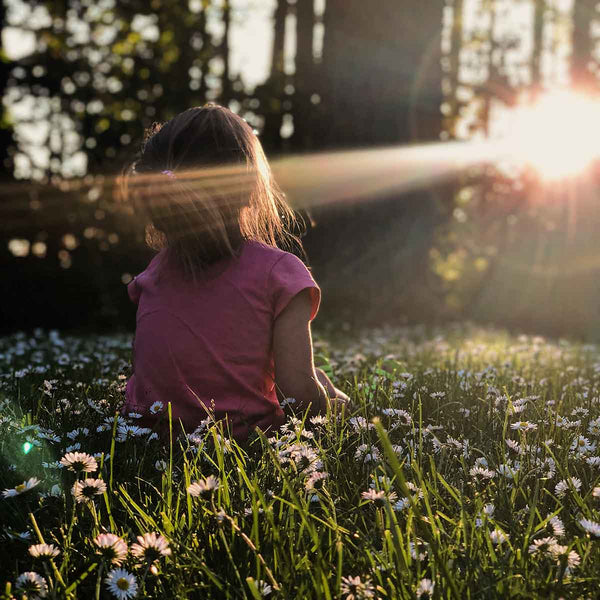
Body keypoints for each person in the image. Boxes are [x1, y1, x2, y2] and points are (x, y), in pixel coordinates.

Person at [120, 103, 349, 442]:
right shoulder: (279, 274)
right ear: (247, 188)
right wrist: (336, 406)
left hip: (148, 441)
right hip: (244, 446)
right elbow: (298, 395)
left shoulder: (153, 274)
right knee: (322, 386)